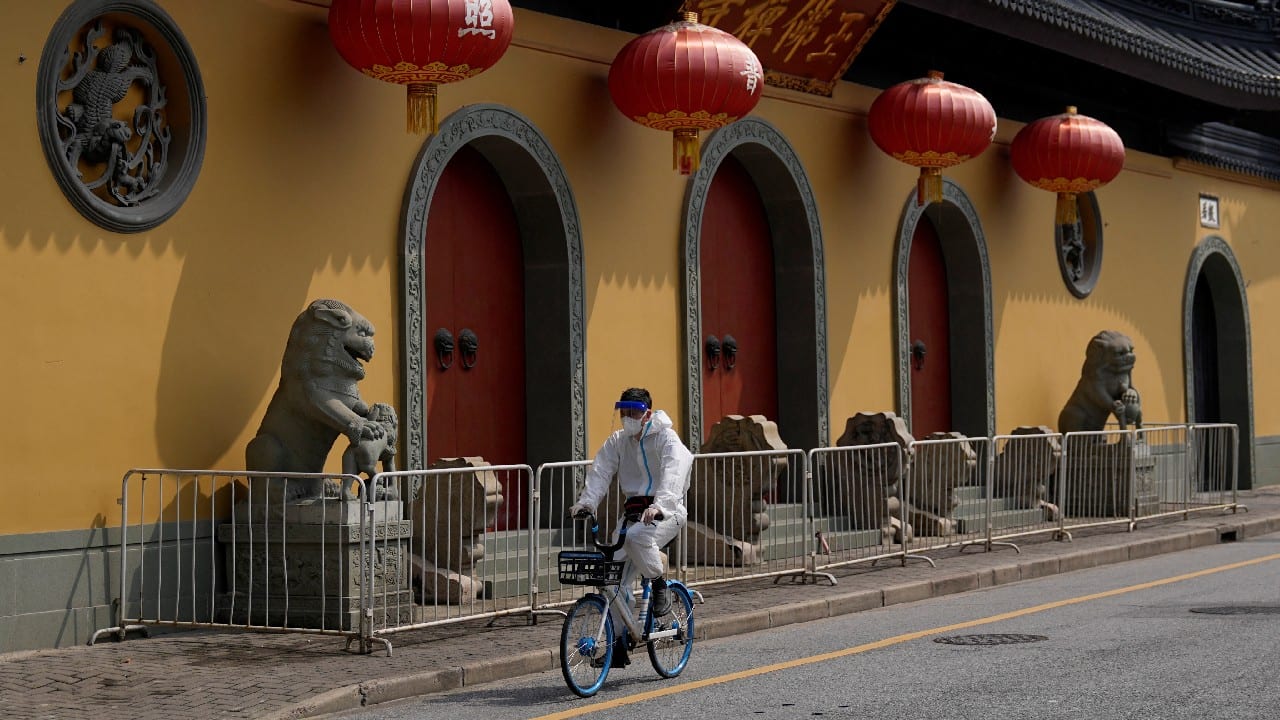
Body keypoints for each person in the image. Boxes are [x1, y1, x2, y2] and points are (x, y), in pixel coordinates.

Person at [568, 387, 693, 668]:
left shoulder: (666, 438)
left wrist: (661, 504)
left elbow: (676, 470)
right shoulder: (619, 440)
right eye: (624, 412)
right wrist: (586, 503)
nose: (628, 418)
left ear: (647, 414)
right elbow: (600, 471)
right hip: (634, 514)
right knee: (611, 575)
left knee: (637, 538)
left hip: (667, 512)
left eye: (634, 413)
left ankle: (659, 584)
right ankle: (619, 645)